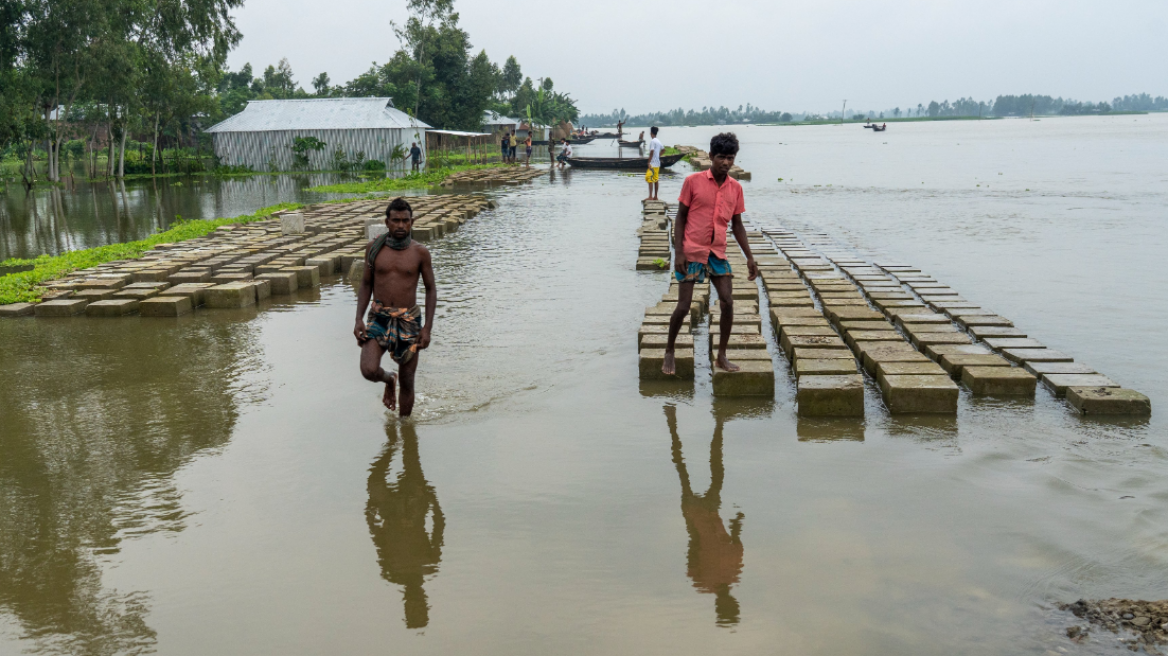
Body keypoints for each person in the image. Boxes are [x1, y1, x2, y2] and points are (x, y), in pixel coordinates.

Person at [662, 132, 757, 376]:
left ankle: (721, 355)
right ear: (711, 156)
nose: (726, 162)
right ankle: (670, 350)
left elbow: (737, 225)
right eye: (721, 157)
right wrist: (679, 252)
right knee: (683, 306)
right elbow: (680, 217)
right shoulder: (693, 182)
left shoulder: (735, 188)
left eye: (731, 158)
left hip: (717, 253)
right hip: (692, 251)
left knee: (727, 301)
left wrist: (749, 257)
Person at [355, 197, 436, 415]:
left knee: (408, 382)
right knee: (368, 369)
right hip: (378, 317)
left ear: (412, 222)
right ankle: (388, 378)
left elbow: (431, 290)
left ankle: (405, 434)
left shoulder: (420, 253)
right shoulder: (374, 248)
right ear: (387, 222)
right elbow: (365, 284)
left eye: (405, 221)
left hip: (408, 321)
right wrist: (358, 319)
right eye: (396, 221)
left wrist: (427, 328)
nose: (401, 225)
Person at [645, 126, 664, 201]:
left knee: (648, 178)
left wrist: (649, 162)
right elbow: (663, 150)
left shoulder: (653, 141)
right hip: (657, 163)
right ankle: (655, 196)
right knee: (655, 179)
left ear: (651, 133)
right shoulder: (658, 141)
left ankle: (650, 196)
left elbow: (651, 151)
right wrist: (658, 156)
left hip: (653, 163)